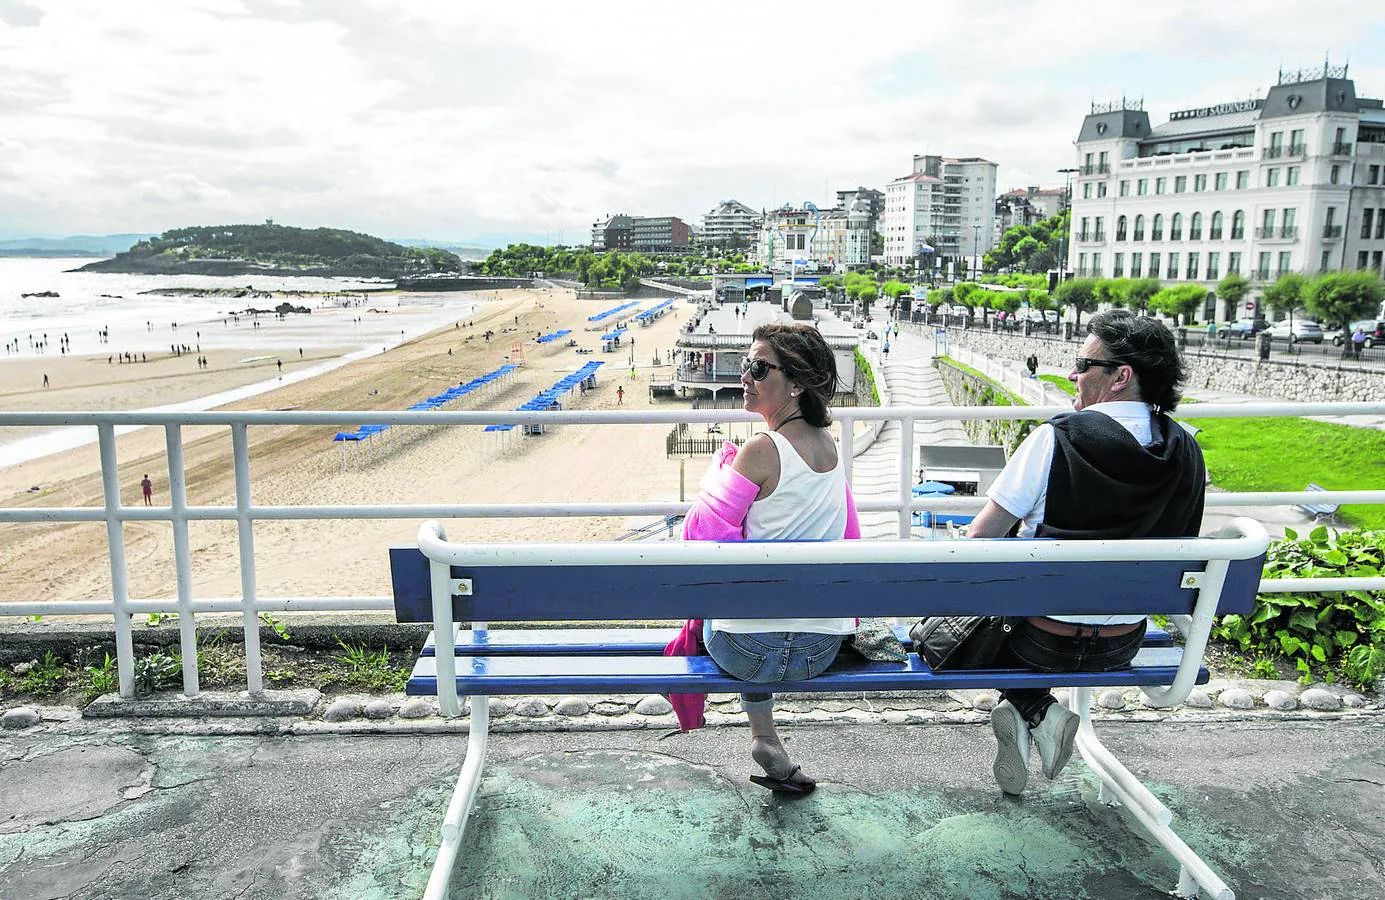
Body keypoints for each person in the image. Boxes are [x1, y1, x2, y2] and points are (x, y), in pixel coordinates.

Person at [966, 310, 1205, 796]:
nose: (1072, 374)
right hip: (1123, 644)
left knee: (956, 634)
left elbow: (979, 542)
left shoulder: (1055, 439)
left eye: (1083, 363)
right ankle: (1031, 713)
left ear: (1121, 377)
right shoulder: (1187, 450)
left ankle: (1036, 708)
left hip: (1037, 640)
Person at [679, 323, 861, 796]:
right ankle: (766, 739)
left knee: (736, 615)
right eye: (746, 365)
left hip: (745, 652)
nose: (745, 375)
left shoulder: (759, 451)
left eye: (757, 368)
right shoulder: (830, 447)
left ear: (796, 383)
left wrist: (722, 470)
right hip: (817, 652)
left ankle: (762, 732)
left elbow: (700, 538)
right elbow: (850, 536)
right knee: (757, 610)